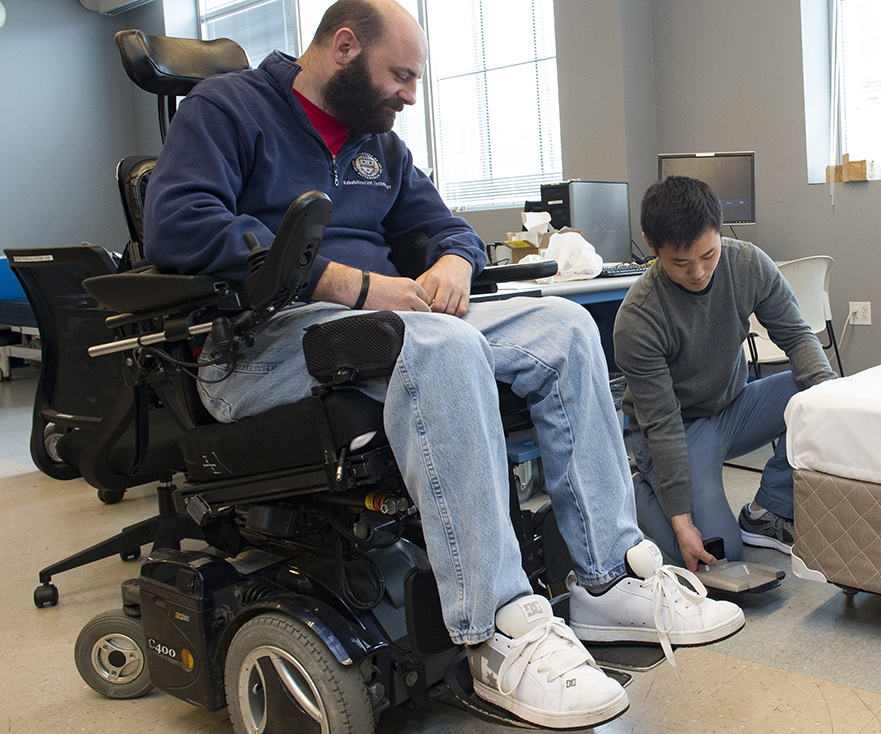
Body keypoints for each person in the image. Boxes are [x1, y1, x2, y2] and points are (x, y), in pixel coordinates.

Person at [141, 1, 742, 728]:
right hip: (262, 345)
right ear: (342, 48)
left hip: (378, 327)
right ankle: (496, 628)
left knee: (564, 326)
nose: (410, 95)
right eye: (399, 76)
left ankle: (607, 578)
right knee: (440, 343)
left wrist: (455, 261)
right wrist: (358, 287)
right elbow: (178, 225)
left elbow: (442, 226)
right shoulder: (227, 109)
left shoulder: (379, 146)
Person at [614, 176, 838, 572]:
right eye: (680, 263)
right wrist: (682, 524)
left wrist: (838, 409)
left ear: (719, 232)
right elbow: (662, 424)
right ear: (652, 247)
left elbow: (799, 339)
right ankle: (632, 490)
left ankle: (768, 511)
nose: (698, 272)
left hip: (732, 410)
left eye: (708, 254)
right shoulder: (639, 318)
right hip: (674, 433)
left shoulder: (747, 262)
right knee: (718, 558)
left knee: (820, 396)